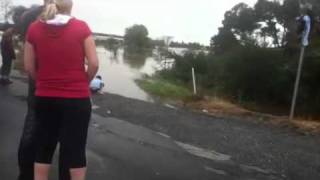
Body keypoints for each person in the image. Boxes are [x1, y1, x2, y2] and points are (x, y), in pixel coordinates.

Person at [24, 0, 99, 180]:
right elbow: (94, 63)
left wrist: (42, 82)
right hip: (77, 100)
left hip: (45, 97)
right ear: (70, 6)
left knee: (44, 147)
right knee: (75, 149)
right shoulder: (81, 27)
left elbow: (28, 67)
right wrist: (83, 81)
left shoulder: (34, 28)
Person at [16, 1, 71, 180]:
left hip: (37, 80)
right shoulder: (57, 17)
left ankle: (26, 173)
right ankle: (31, 172)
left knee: (32, 126)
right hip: (53, 82)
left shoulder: (27, 17)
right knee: (49, 132)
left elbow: (28, 56)